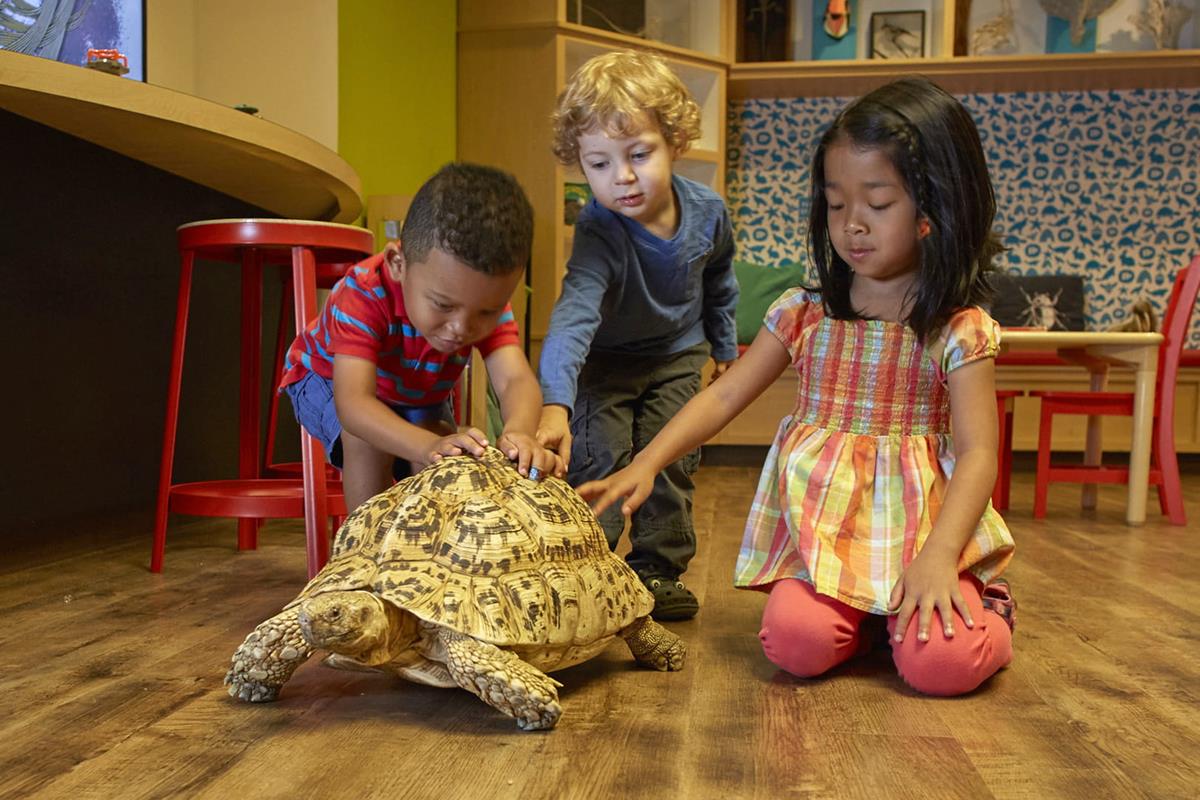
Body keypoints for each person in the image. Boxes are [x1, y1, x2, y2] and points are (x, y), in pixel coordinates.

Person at [579, 77, 1017, 695]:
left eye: (878, 203)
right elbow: (724, 395)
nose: (852, 225)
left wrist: (942, 559)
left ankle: (983, 610)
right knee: (794, 645)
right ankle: (870, 621)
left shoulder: (959, 330)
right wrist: (647, 462)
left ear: (935, 207)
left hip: (926, 538)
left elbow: (977, 453)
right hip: (831, 541)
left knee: (940, 668)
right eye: (836, 204)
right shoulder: (804, 313)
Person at [535, 50, 740, 621]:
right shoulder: (599, 228)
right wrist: (555, 403)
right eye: (598, 163)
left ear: (675, 140)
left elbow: (721, 281)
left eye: (639, 155)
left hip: (678, 354)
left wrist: (724, 348)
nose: (620, 178)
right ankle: (589, 568)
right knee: (599, 455)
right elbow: (575, 311)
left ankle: (657, 569)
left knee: (670, 459)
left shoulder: (709, 212)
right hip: (605, 361)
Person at [280, 162, 559, 513]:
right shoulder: (364, 293)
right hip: (325, 382)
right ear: (399, 263)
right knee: (369, 441)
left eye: (486, 312)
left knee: (452, 452)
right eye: (443, 305)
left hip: (412, 389)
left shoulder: (478, 301)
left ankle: (426, 555)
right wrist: (426, 444)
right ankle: (367, 548)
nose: (461, 328)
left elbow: (516, 379)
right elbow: (354, 406)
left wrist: (519, 431)